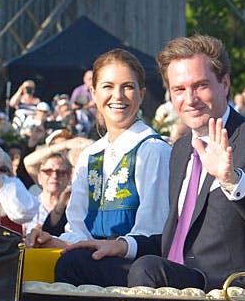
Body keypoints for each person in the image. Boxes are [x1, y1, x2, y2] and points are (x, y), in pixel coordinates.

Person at [57, 35, 245, 291]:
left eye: (200, 85)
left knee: (147, 269)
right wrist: (124, 245)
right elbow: (176, 240)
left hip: (223, 285)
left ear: (224, 84)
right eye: (179, 89)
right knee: (75, 262)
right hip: (172, 272)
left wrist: (230, 179)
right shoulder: (181, 148)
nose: (189, 99)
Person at [28, 49, 171, 259]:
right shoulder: (90, 155)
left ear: (141, 94)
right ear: (93, 93)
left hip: (136, 268)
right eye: (108, 87)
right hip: (92, 264)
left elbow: (153, 232)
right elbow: (79, 232)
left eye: (128, 87)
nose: (118, 96)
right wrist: (53, 242)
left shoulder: (153, 150)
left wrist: (117, 247)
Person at [33, 152, 73, 237]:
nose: (54, 176)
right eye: (48, 171)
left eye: (61, 172)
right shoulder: (29, 205)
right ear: (39, 177)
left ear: (69, 177)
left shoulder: (74, 209)